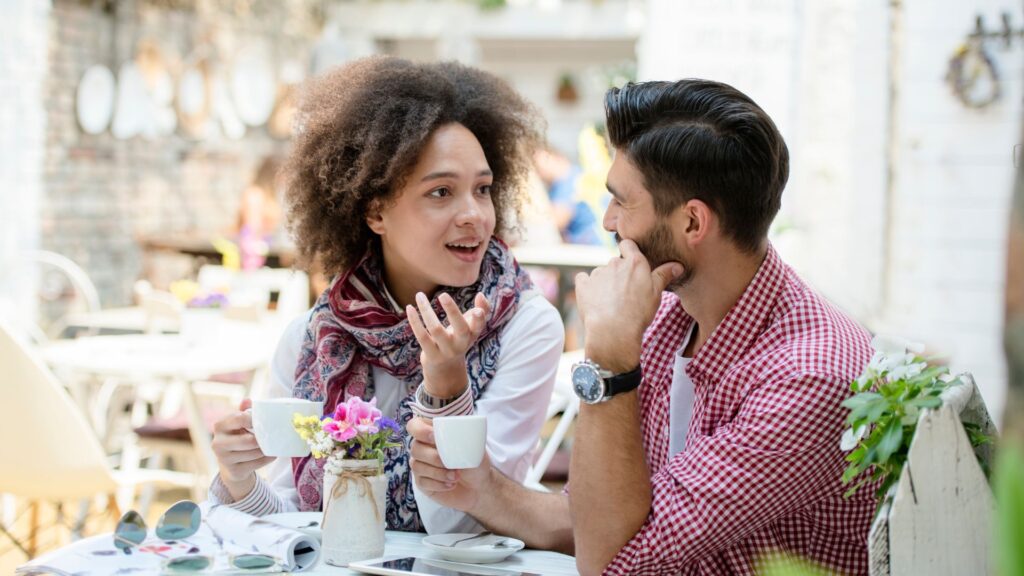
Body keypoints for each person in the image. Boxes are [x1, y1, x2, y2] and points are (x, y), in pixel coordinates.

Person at [407, 78, 876, 575]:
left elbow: (612, 565)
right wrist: (481, 488)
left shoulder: (806, 378)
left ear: (693, 224)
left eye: (621, 201)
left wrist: (608, 359)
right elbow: (595, 517)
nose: (607, 221)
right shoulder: (671, 316)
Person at [207, 56, 564, 535]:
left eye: (482, 190)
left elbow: (459, 525)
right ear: (375, 212)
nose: (474, 215)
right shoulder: (315, 339)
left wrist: (446, 390)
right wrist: (237, 479)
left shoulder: (526, 326)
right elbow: (297, 525)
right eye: (441, 192)